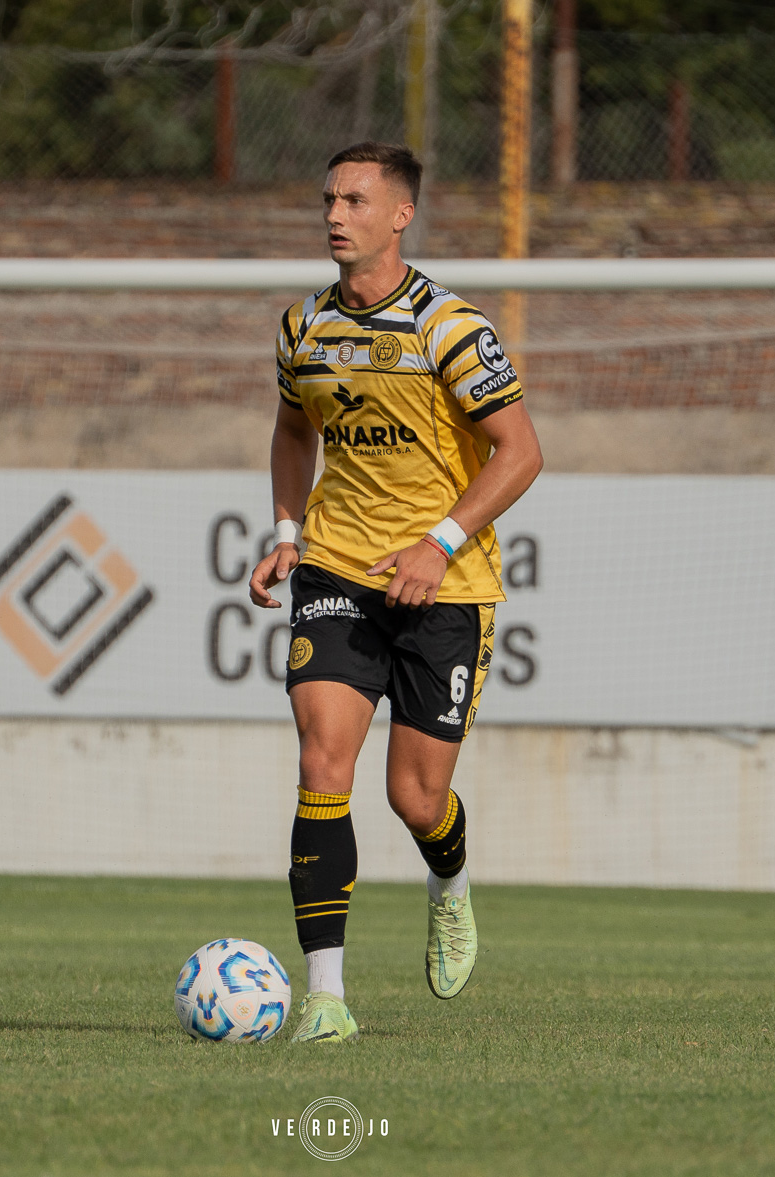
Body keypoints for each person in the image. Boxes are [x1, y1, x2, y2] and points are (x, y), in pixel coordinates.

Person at [248, 140, 544, 1044]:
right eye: (329, 198)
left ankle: (448, 880)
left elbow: (522, 452)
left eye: (355, 201)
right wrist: (288, 531)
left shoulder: (451, 329)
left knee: (415, 799)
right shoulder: (303, 328)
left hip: (445, 583)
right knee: (320, 762)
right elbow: (294, 429)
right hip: (338, 566)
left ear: (400, 215)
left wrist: (439, 540)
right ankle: (326, 999)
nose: (336, 215)